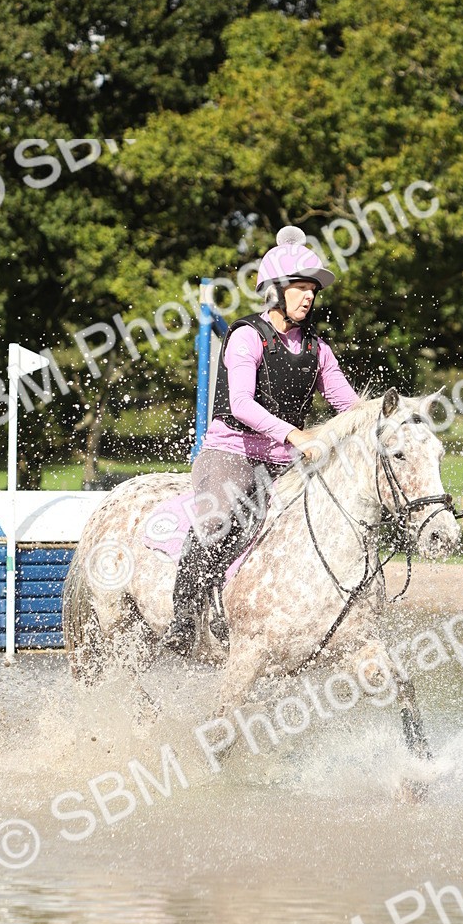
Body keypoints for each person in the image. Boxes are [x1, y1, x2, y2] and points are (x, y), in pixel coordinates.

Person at [162, 225, 360, 655]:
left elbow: (347, 403)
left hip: (283, 460)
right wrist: (294, 434)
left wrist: (385, 417)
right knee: (218, 519)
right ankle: (185, 614)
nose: (308, 296)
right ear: (275, 292)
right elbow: (242, 405)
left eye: (312, 289)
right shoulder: (246, 336)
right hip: (231, 451)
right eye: (300, 288)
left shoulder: (319, 349)